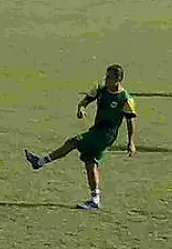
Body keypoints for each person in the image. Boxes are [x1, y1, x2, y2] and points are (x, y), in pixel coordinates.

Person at [24, 64, 137, 210]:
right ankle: (95, 200)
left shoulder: (126, 99)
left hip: (106, 135)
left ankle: (41, 161)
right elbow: (85, 101)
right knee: (90, 162)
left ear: (118, 79)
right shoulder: (100, 89)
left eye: (109, 77)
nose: (106, 79)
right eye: (106, 75)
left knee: (73, 142)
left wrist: (131, 142)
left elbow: (130, 121)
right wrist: (81, 109)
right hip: (96, 130)